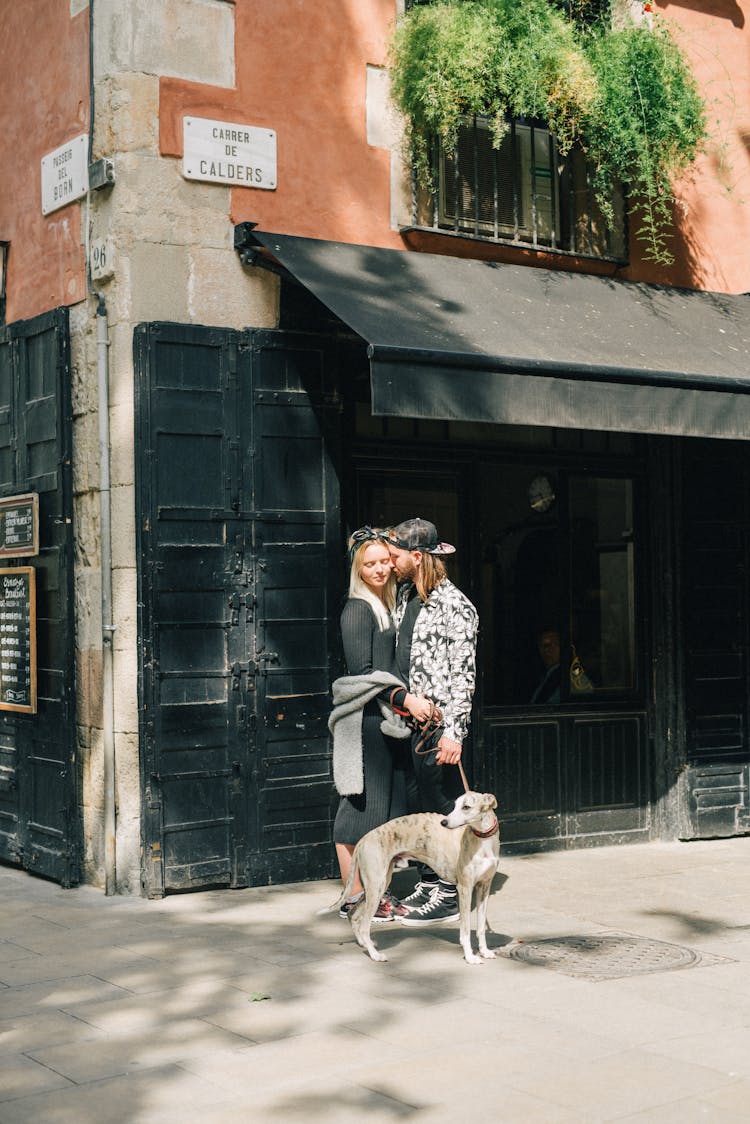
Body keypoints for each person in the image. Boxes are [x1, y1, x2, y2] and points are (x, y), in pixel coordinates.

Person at [331, 526, 432, 922]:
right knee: (358, 815)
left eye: (384, 561)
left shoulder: (384, 605)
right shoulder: (357, 609)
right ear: (358, 568)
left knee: (384, 815)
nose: (379, 569)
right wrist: (405, 699)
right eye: (369, 564)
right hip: (366, 725)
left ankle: (377, 895)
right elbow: (363, 674)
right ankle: (353, 900)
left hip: (387, 725)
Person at [388, 517, 479, 925]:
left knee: (442, 806)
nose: (391, 563)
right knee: (418, 805)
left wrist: (455, 734)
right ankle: (429, 877)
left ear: (418, 556)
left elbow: (464, 675)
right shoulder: (407, 597)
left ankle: (450, 889)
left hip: (440, 727)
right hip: (409, 723)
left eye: (396, 556)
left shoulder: (456, 607)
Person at [531, 627, 561, 704]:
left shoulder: (570, 677)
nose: (547, 650)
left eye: (555, 644)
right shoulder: (543, 677)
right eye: (543, 646)